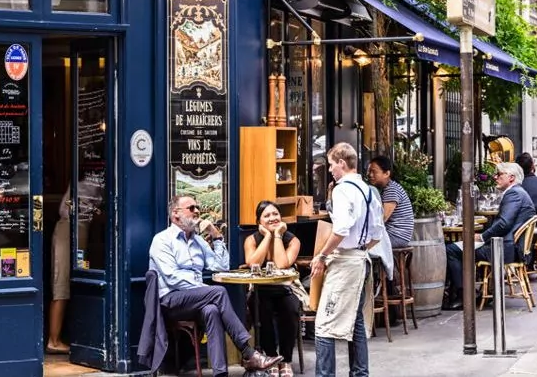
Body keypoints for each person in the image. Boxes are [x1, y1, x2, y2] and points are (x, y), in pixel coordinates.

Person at [148, 195, 282, 376]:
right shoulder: (162, 240)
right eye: (192, 208)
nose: (197, 211)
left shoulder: (198, 241)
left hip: (195, 300)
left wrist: (216, 236)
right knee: (217, 293)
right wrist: (203, 288)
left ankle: (220, 373)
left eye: (198, 207)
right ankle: (248, 352)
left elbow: (221, 266)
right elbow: (172, 278)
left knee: (211, 310)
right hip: (170, 300)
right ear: (176, 214)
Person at [309, 142, 384, 377]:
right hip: (361, 259)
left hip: (345, 261)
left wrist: (322, 255)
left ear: (342, 163)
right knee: (356, 321)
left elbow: (340, 229)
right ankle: (360, 374)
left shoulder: (342, 189)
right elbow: (377, 233)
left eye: (331, 164)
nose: (330, 170)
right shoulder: (368, 190)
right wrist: (361, 248)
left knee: (324, 324)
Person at [444, 162, 535, 310]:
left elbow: (503, 223)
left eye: (499, 174)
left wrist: (483, 237)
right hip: (510, 247)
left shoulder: (514, 194)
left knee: (451, 250)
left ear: (511, 178)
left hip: (505, 249)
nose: (495, 177)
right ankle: (473, 291)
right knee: (457, 247)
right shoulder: (518, 192)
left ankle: (463, 296)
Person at [243, 201, 301, 377]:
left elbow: (282, 264)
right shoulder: (251, 240)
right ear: (259, 221)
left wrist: (277, 235)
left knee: (291, 309)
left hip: (285, 289)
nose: (272, 218)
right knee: (261, 308)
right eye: (266, 216)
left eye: (275, 214)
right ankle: (271, 357)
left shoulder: (292, 240)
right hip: (261, 289)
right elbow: (253, 263)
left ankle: (286, 360)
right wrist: (267, 236)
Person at [46, 178, 102, 355]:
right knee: (61, 284)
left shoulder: (87, 180)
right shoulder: (89, 181)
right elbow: (66, 209)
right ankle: (53, 341)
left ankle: (59, 338)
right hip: (71, 230)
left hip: (79, 230)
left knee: (71, 282)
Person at [367, 155, 415, 248]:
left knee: (361, 244)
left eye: (374, 171)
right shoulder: (388, 188)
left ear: (386, 173)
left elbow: (383, 218)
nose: (370, 175)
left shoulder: (391, 189)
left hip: (396, 236)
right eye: (369, 171)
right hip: (395, 235)